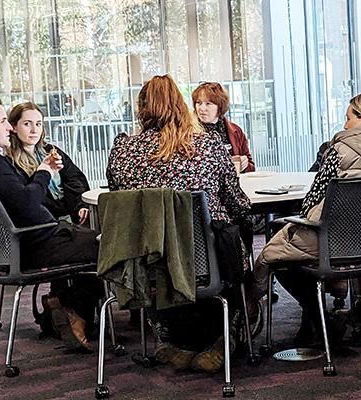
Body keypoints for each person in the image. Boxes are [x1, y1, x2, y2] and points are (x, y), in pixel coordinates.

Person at [106, 75, 253, 373]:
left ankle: (174, 340)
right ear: (181, 106)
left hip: (151, 264)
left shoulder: (123, 151)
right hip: (205, 262)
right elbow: (237, 202)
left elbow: (119, 199)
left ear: (141, 109)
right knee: (238, 233)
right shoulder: (209, 145)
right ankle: (227, 336)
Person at [255, 92, 361, 346]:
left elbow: (311, 203)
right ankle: (320, 324)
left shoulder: (338, 151)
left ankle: (321, 322)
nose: (344, 124)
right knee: (291, 250)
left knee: (278, 258)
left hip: (337, 243)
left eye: (348, 117)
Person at [0, 96, 101, 352]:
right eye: (4, 121)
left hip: (21, 243)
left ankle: (65, 311)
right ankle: (72, 313)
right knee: (110, 246)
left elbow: (66, 184)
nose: (9, 128)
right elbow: (28, 202)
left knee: (91, 238)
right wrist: (44, 171)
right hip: (35, 244)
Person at [7, 102, 90, 225]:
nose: (34, 130)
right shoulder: (10, 162)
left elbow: (74, 178)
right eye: (27, 124)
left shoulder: (50, 150)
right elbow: (29, 200)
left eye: (38, 124)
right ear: (14, 127)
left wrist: (81, 206)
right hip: (47, 223)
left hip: (72, 214)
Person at [191, 82, 255, 173]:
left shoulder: (235, 130)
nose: (202, 108)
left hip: (235, 184)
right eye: (198, 103)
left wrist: (245, 164)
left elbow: (251, 167)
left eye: (208, 103)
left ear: (220, 106)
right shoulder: (188, 132)